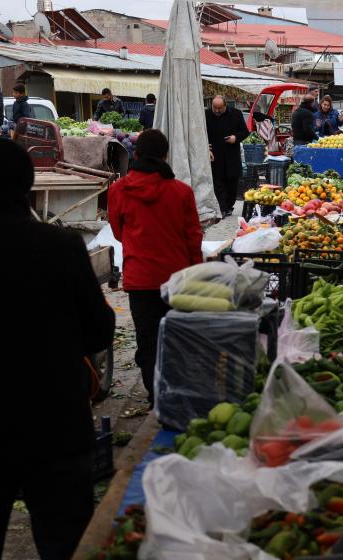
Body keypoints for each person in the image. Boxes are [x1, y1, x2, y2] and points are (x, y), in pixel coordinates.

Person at [0, 138, 115, 559]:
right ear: (26, 187)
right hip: (55, 424)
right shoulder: (59, 248)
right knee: (66, 540)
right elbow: (98, 332)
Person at [108, 129, 203, 406]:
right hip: (178, 278)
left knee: (147, 341)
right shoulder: (182, 192)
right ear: (165, 156)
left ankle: (155, 397)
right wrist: (196, 272)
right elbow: (193, 237)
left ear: (136, 156)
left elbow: (117, 232)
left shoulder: (117, 190)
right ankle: (177, 393)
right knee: (177, 338)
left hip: (140, 279)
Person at [205, 95, 249, 216]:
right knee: (218, 182)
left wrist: (235, 138)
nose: (217, 111)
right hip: (214, 154)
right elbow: (200, 132)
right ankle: (222, 208)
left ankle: (228, 206)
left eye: (220, 108)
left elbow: (245, 132)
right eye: (215, 108)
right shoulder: (206, 114)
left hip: (231, 154)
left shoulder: (236, 114)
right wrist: (205, 145)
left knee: (232, 183)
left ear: (225, 106)